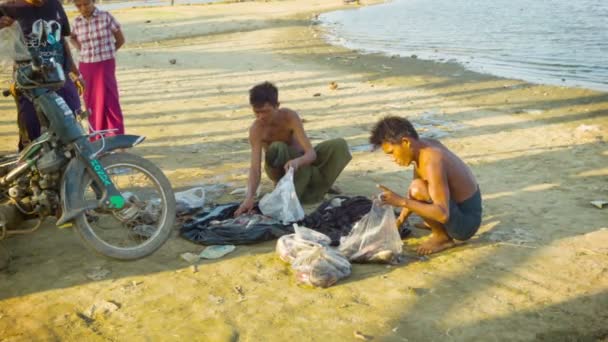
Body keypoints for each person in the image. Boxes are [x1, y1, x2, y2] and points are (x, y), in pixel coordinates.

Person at [234, 81, 352, 216]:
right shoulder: (257, 129)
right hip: (280, 169)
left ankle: (318, 186)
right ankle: (289, 188)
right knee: (278, 146)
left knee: (339, 145)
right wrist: (249, 198)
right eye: (257, 112)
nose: (261, 117)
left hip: (300, 162)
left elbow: (311, 154)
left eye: (266, 112)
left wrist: (299, 161)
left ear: (277, 106)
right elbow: (255, 168)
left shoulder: (290, 117)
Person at [370, 116, 482, 255]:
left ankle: (442, 237)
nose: (393, 159)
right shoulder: (423, 147)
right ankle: (436, 226)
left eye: (392, 153)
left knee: (418, 189)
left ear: (405, 142)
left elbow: (442, 214)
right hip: (458, 207)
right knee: (416, 187)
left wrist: (401, 201)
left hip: (466, 223)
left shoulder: (432, 160)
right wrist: (399, 222)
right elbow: (414, 192)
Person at [0, 0, 83, 150]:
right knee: (34, 132)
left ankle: (73, 167)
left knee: (72, 121)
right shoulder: (9, 8)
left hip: (60, 75)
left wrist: (74, 71)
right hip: (29, 82)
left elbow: (61, 39)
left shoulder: (55, 4)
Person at [70, 0, 125, 138]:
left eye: (86, 4)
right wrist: (81, 49)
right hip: (86, 66)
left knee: (110, 99)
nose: (83, 8)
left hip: (105, 64)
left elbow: (120, 40)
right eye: (78, 5)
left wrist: (108, 52)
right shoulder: (76, 22)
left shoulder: (106, 17)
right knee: (91, 102)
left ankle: (116, 137)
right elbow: (72, 38)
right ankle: (96, 137)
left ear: (93, 1)